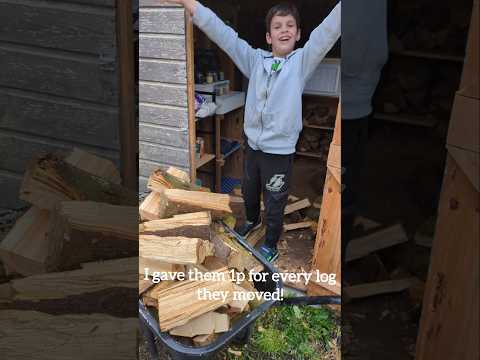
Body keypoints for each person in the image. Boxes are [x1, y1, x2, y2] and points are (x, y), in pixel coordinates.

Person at [169, 0, 341, 261]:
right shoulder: (254, 60)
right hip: (253, 147)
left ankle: (271, 241)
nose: (284, 30)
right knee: (249, 190)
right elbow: (226, 36)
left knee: (274, 199)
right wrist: (192, 5)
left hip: (279, 153)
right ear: (268, 37)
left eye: (290, 26)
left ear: (298, 34)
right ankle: (251, 221)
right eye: (278, 26)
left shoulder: (301, 63)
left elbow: (327, 32)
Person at [341, 0, 388, 262]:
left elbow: (356, 55)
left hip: (354, 109)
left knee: (345, 196)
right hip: (354, 105)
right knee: (344, 194)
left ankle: (336, 264)